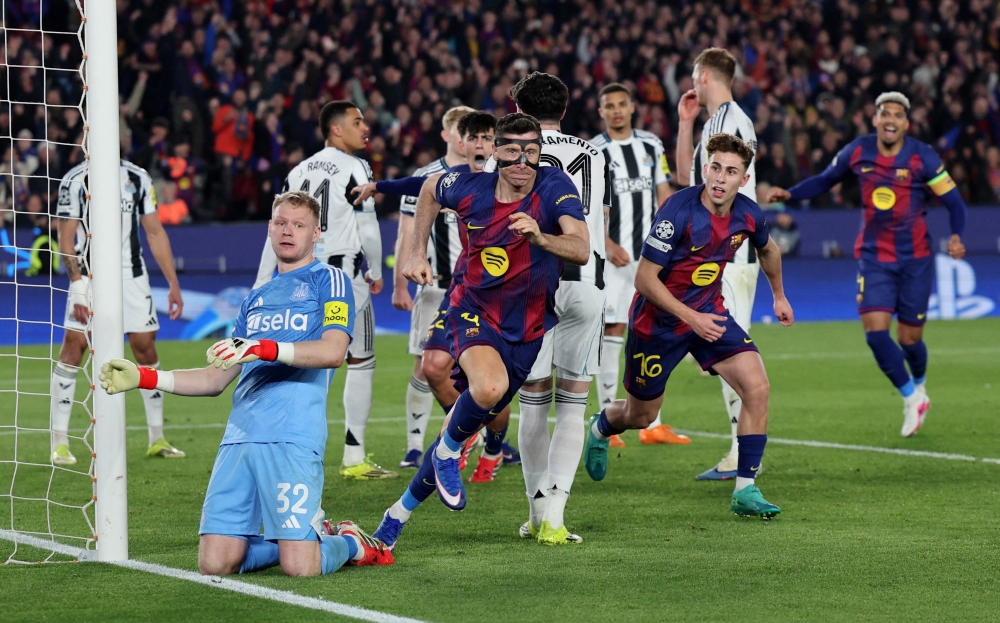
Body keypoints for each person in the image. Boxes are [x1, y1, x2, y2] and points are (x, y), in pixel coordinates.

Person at [98, 190, 393, 576]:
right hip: (239, 438)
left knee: (301, 568)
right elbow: (213, 379)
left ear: (316, 233)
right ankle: (300, 538)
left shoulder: (330, 280)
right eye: (281, 223)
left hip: (292, 436)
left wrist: (262, 347)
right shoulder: (255, 297)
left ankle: (351, 542)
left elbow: (333, 351)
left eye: (299, 225)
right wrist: (145, 377)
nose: (289, 231)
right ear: (270, 229)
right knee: (215, 563)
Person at [372, 113, 590, 550]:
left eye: (531, 152)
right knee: (488, 388)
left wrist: (541, 238)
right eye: (512, 152)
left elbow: (581, 248)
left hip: (527, 329)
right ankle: (451, 452)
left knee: (462, 422)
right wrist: (416, 252)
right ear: (496, 151)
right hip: (471, 309)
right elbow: (431, 189)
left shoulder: (555, 186)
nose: (523, 162)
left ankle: (395, 516)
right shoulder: (469, 186)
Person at [584, 133, 793, 518]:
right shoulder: (677, 211)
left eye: (731, 171)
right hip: (657, 323)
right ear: (705, 168)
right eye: (715, 167)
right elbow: (645, 280)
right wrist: (690, 317)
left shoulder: (748, 213)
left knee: (757, 386)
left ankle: (745, 489)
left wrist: (778, 295)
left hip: (709, 314)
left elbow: (768, 248)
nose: (720, 177)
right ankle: (601, 426)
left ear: (743, 180)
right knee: (640, 415)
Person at [769, 92, 967, 436]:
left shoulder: (923, 157)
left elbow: (955, 203)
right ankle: (911, 397)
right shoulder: (858, 151)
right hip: (875, 257)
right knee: (876, 335)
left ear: (906, 123)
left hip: (915, 259)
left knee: (909, 340)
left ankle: (919, 385)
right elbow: (825, 179)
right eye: (884, 113)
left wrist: (956, 236)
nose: (890, 120)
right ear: (874, 119)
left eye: (897, 115)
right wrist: (791, 193)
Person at [354, 110, 522, 476]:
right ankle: (465, 435)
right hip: (458, 289)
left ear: (497, 145)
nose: (480, 144)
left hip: (501, 296)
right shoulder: (458, 178)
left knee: (494, 384)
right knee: (431, 367)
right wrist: (379, 187)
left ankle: (493, 449)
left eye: (486, 138)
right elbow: (421, 186)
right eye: (474, 138)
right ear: (463, 143)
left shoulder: (516, 178)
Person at [495, 72, 608, 545]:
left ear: (516, 106)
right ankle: (557, 517)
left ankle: (536, 512)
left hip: (529, 286)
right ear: (564, 109)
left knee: (534, 403)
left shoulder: (508, 154)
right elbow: (599, 216)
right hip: (584, 281)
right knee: (574, 404)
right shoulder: (594, 153)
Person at [253, 101, 393, 479]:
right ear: (336, 129)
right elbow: (367, 227)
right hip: (342, 281)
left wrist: (262, 282)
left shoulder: (298, 169)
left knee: (338, 357)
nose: (366, 127)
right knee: (342, 363)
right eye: (357, 121)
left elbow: (277, 230)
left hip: (300, 279)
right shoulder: (355, 167)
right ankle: (341, 455)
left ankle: (346, 454)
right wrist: (377, 270)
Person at [50, 158, 185, 466]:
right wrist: (76, 284)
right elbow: (66, 236)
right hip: (89, 276)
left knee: (144, 348)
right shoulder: (74, 179)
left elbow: (154, 231)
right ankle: (59, 442)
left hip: (132, 277)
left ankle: (157, 437)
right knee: (74, 346)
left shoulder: (137, 177)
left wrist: (172, 283)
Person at [676, 47, 763, 480]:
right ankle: (739, 449)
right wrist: (685, 124)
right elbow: (683, 183)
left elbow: (726, 194)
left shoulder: (732, 123)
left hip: (727, 254)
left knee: (728, 351)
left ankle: (742, 454)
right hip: (716, 255)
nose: (691, 85)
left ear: (705, 75)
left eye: (694, 76)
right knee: (716, 352)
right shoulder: (717, 123)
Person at [592, 83, 685, 447]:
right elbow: (591, 203)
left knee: (653, 331)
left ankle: (653, 423)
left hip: (652, 256)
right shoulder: (595, 152)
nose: (616, 111)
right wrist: (608, 242)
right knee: (614, 330)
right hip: (616, 257)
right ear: (601, 112)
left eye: (621, 104)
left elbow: (663, 194)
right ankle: (608, 417)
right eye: (608, 106)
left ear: (632, 107)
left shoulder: (651, 145)